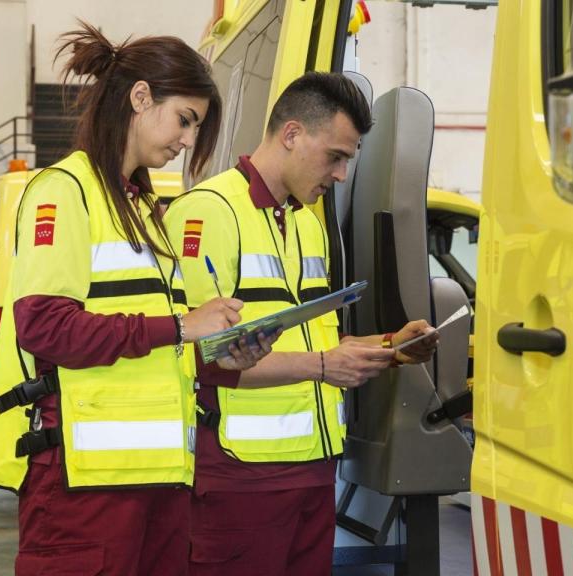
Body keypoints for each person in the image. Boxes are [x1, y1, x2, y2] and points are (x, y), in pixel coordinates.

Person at [0, 22, 275, 575]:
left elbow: (156, 350)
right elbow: (45, 328)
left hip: (158, 482)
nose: (185, 141)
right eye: (185, 120)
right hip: (85, 487)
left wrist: (220, 353)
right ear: (139, 97)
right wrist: (182, 326)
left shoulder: (142, 211)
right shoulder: (65, 190)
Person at [165, 71, 440, 576]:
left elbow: (317, 341)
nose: (340, 174)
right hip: (239, 477)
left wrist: (391, 345)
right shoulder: (209, 213)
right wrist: (321, 365)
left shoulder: (305, 223)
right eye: (335, 156)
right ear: (292, 135)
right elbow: (198, 355)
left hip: (314, 475)